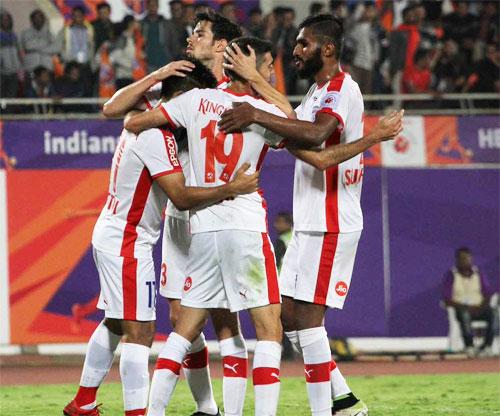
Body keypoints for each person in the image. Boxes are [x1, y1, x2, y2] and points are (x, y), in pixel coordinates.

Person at [219, 14, 403, 416]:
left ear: (328, 49)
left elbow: (316, 138)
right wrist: (256, 84)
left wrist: (256, 116)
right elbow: (293, 118)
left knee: (310, 323)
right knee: (287, 315)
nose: (296, 51)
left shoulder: (341, 89)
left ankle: (330, 411)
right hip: (311, 222)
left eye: (303, 45)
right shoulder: (319, 91)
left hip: (331, 222)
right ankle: (345, 400)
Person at [63, 58, 259, 416]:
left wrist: (156, 78)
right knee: (140, 333)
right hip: (127, 242)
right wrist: (233, 188)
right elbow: (180, 196)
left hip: (117, 234)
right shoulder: (157, 136)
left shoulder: (149, 112)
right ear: (180, 98)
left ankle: (83, 402)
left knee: (115, 321)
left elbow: (115, 107)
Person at [124, 36, 286, 416]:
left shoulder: (194, 101)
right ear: (248, 67)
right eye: (266, 68)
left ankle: (154, 411)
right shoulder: (261, 110)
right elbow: (296, 124)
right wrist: (259, 86)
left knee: (183, 332)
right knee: (269, 331)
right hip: (245, 226)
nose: (270, 75)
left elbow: (136, 121)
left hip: (202, 229)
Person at [104, 11, 249, 416]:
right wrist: (158, 74)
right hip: (179, 215)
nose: (190, 40)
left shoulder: (234, 92)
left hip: (215, 211)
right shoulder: (178, 84)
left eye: (200, 35)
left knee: (223, 318)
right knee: (180, 316)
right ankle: (208, 408)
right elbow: (116, 111)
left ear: (221, 46)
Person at [442, 247, 498, 357]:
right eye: (462, 258)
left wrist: (481, 306)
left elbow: (488, 293)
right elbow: (447, 299)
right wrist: (465, 307)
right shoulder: (451, 275)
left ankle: (487, 346)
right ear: (457, 260)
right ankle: (469, 346)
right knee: (465, 314)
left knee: (493, 313)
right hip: (461, 309)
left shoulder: (479, 274)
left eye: (467, 258)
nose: (465, 261)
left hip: (479, 308)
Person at [20, 9, 60, 76]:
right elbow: (27, 47)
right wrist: (45, 46)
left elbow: (55, 48)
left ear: (43, 19)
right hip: (31, 66)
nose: (38, 20)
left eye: (40, 17)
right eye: (35, 18)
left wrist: (39, 48)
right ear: (32, 20)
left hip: (47, 66)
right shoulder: (25, 33)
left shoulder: (50, 33)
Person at [0, 10, 22, 98]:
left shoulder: (14, 36)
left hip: (14, 72)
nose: (6, 22)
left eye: (7, 20)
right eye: (3, 20)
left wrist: (19, 66)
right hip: (1, 72)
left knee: (11, 96)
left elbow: (19, 52)